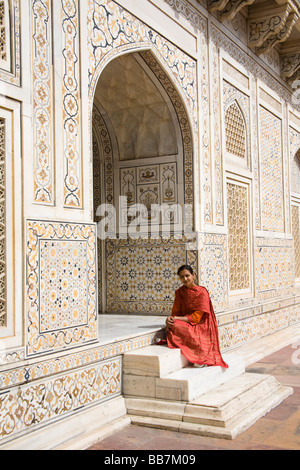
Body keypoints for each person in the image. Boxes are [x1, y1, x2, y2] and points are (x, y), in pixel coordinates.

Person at [165, 265, 228, 368]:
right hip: (187, 322)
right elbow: (175, 313)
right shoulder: (180, 292)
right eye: (181, 277)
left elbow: (196, 318)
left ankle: (200, 356)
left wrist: (176, 319)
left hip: (201, 325)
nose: (185, 279)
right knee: (173, 325)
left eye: (187, 275)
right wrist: (170, 319)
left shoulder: (202, 292)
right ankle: (194, 353)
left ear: (193, 275)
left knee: (180, 327)